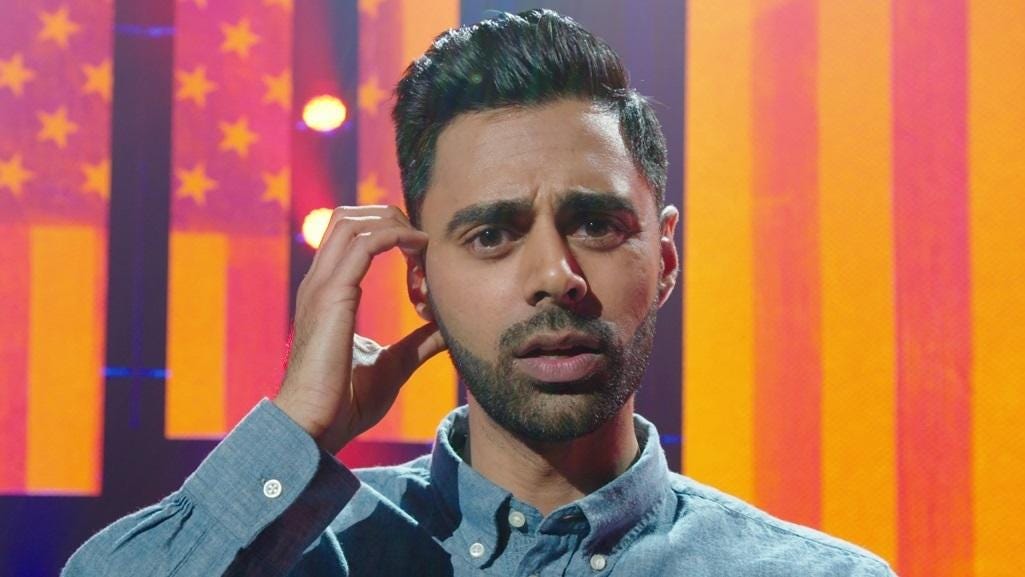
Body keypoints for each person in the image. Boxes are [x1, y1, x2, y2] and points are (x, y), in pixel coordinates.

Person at [63, 9, 895, 576]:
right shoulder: (301, 555)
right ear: (418, 280)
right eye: (492, 234)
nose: (555, 275)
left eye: (596, 224)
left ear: (665, 256)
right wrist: (294, 430)